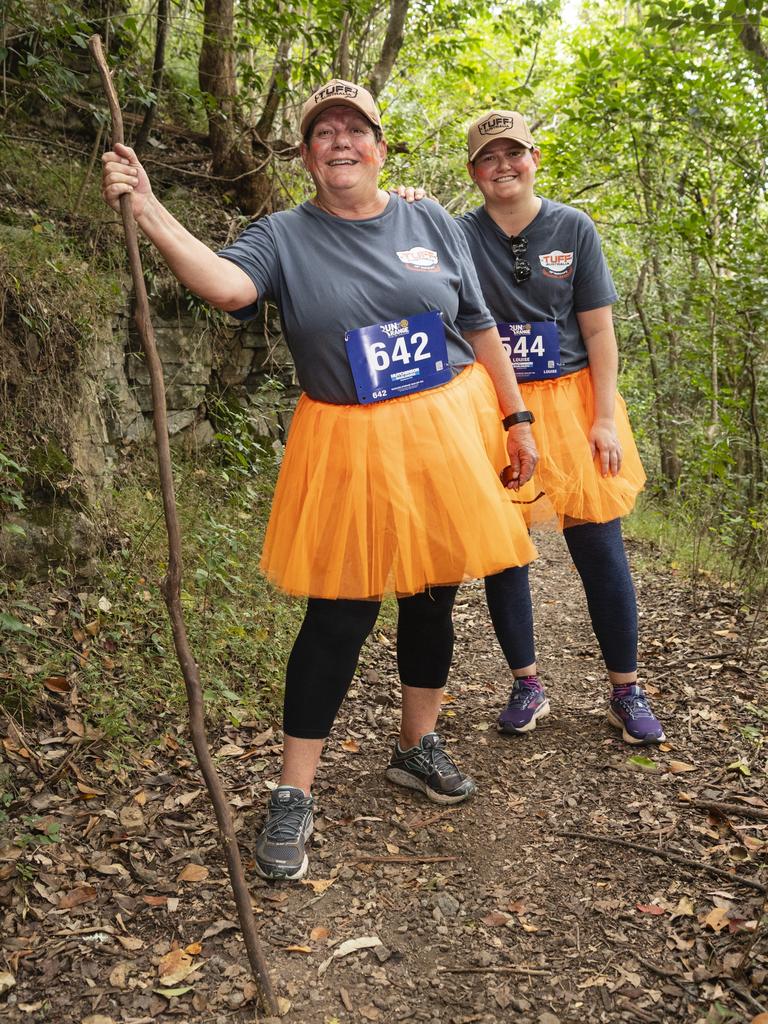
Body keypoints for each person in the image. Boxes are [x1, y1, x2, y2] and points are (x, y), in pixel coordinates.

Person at [101, 81, 540, 881]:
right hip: (346, 438)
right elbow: (228, 287)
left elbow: (475, 322)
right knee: (337, 616)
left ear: (379, 146)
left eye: (355, 130)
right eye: (323, 133)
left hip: (445, 424)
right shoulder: (282, 236)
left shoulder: (430, 219)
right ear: (306, 155)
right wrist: (151, 211)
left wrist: (517, 421)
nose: (340, 141)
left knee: (435, 592)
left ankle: (418, 744)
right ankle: (292, 792)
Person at [458, 110, 664, 746]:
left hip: (574, 400)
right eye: (489, 158)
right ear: (474, 171)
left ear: (534, 158)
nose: (503, 167)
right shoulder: (459, 234)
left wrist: (604, 417)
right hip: (494, 402)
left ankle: (626, 690)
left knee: (599, 547)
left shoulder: (572, 226)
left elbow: (599, 328)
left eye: (513, 153)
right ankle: (527, 682)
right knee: (505, 551)